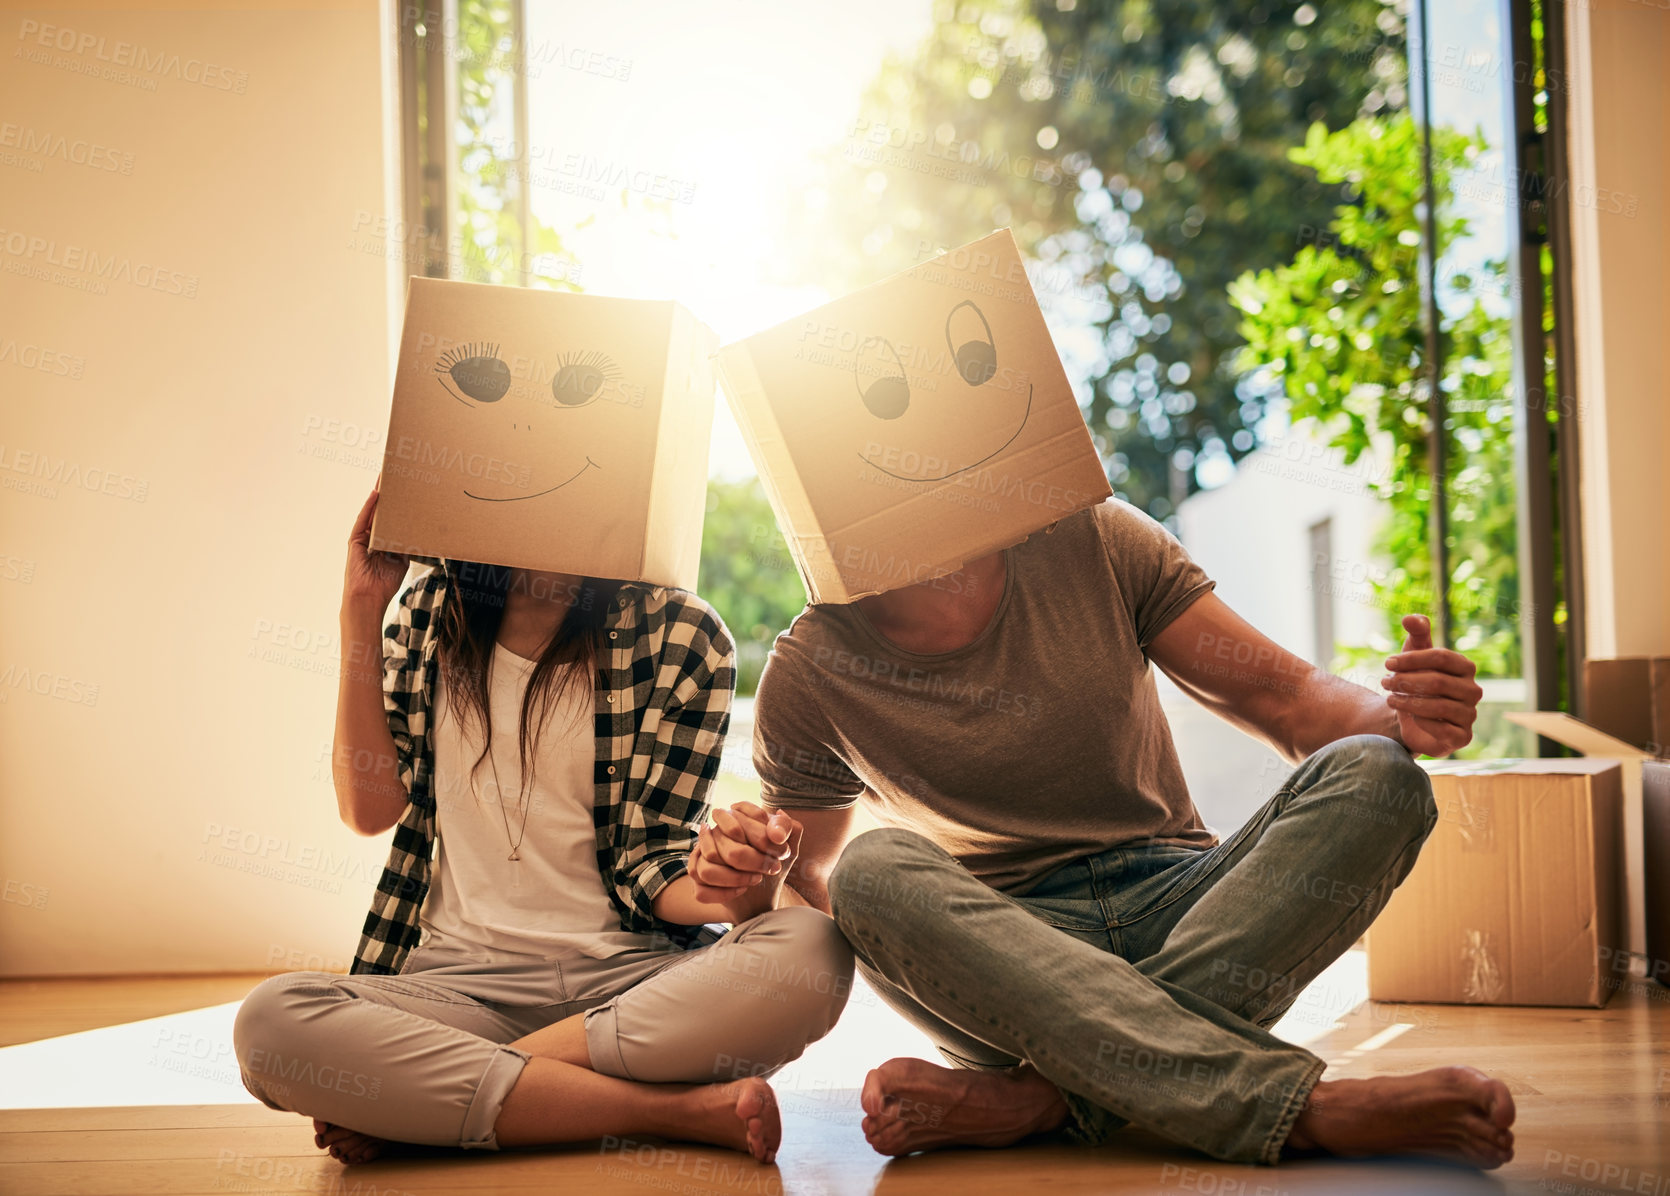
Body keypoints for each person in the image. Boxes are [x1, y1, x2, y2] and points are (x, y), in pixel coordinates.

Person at [695, 497, 1515, 1168]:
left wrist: (1401, 717)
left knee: (1379, 773)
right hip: (1008, 960)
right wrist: (746, 879)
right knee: (872, 873)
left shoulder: (1093, 537)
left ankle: (1039, 1099)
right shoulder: (809, 668)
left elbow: (1292, 704)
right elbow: (811, 881)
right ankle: (1302, 1109)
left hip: (1186, 901)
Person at [232, 486, 853, 1165]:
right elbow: (368, 810)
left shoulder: (683, 635)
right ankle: (670, 1111)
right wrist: (361, 610)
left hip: (630, 983)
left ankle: (459, 1098)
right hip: (457, 987)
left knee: (810, 951)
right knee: (269, 1024)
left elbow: (653, 863)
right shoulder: (426, 611)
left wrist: (735, 884)